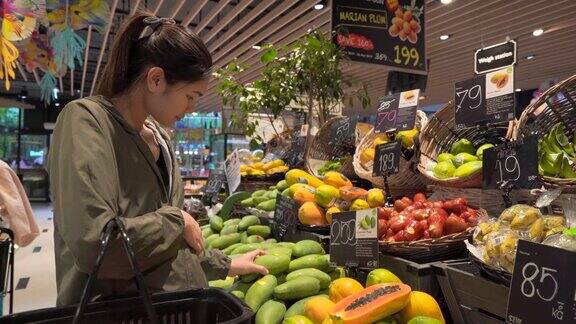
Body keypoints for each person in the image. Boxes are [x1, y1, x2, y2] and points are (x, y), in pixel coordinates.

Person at [46, 12, 268, 306]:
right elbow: (97, 244)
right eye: (190, 96)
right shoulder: (86, 121)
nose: (191, 109)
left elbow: (161, 248)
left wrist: (224, 264)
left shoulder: (158, 138)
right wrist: (176, 220)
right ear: (156, 79)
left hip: (171, 308)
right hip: (116, 313)